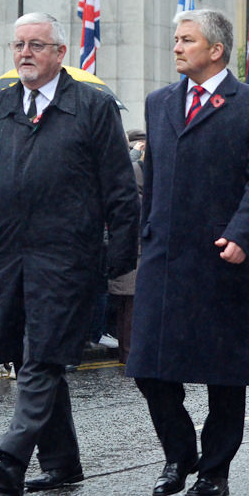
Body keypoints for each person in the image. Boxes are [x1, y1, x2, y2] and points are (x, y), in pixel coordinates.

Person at [0, 12, 139, 496]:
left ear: (60, 53)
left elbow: (121, 189)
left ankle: (11, 455)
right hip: (4, 256)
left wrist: (119, 258)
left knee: (42, 356)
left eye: (37, 45)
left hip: (66, 258)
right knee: (28, 356)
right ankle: (62, 464)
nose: (25, 53)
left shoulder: (93, 107)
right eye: (19, 44)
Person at [127, 9, 249, 496]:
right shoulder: (159, 103)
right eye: (175, 39)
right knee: (149, 369)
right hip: (164, 259)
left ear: (215, 49)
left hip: (222, 259)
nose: (176, 47)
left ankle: (214, 469)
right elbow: (151, 183)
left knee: (222, 374)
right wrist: (145, 234)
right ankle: (179, 454)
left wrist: (245, 234)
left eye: (186, 40)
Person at [107, 129, 146, 364]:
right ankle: (129, 355)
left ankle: (128, 353)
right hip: (133, 253)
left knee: (127, 307)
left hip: (129, 253)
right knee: (130, 308)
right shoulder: (133, 182)